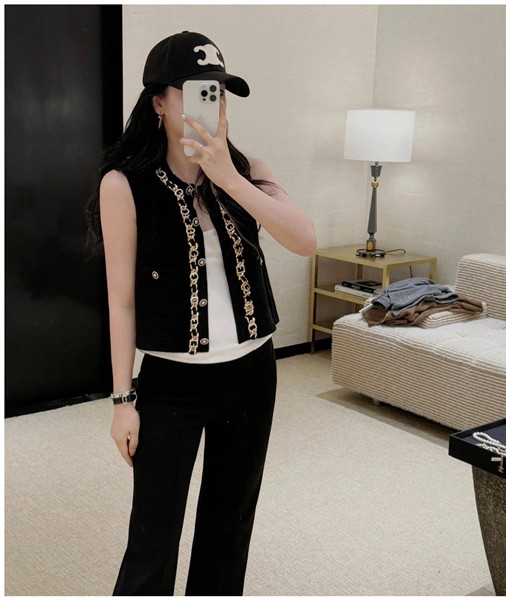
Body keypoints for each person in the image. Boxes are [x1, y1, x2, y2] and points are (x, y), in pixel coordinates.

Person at [86, 31, 316, 596]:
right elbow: (121, 301)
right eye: (196, 92)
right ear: (159, 103)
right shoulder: (125, 184)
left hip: (252, 375)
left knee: (229, 528)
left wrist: (227, 178)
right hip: (170, 384)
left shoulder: (248, 169)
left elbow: (304, 240)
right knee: (153, 536)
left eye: (218, 92)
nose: (211, 105)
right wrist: (122, 401)